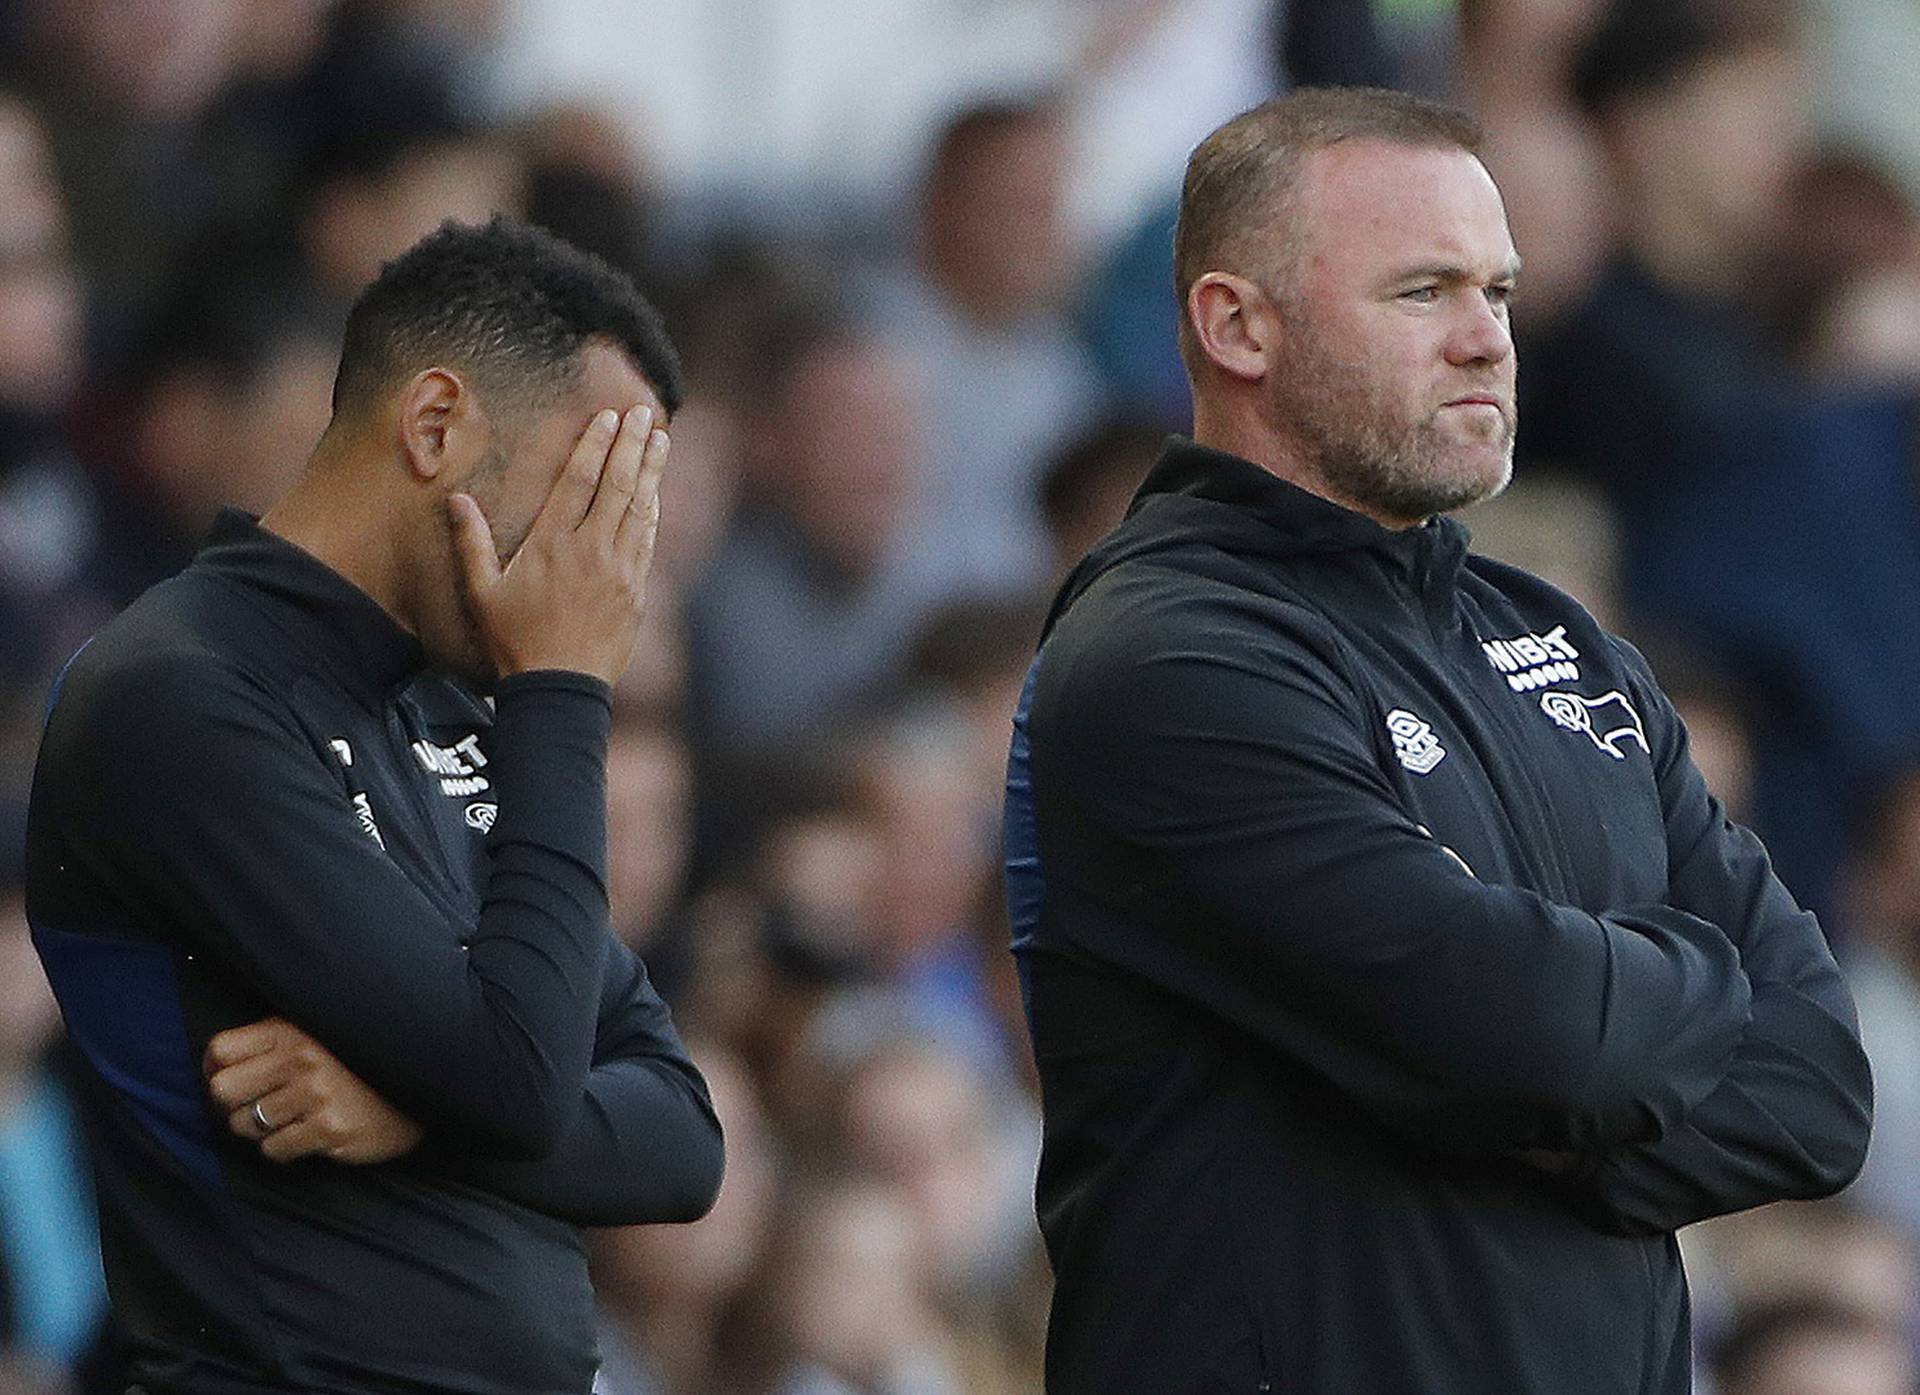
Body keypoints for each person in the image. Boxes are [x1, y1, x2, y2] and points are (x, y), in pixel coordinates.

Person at [1003, 87, 1872, 1394]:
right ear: (1237, 325)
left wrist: (1533, 1075)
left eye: (1501, 293)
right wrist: (1625, 1023)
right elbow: (1546, 1038)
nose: (1485, 340)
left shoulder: (1559, 639)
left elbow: (1818, 1084)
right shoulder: (1171, 660)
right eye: (1422, 292)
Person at [26, 216, 724, 1395]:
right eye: (589, 487)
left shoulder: (455, 716)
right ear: (436, 423)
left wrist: (414, 1117)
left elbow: (681, 1135)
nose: (611, 567)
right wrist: (562, 688)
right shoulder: (179, 697)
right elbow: (519, 1072)